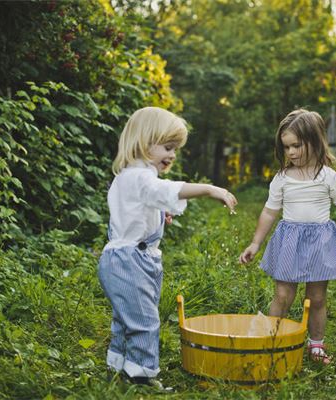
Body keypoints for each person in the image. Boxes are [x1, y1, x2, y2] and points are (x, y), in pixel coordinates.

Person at [98, 107, 237, 388]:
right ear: (142, 141)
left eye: (175, 148)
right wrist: (211, 189)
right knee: (144, 320)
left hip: (125, 258)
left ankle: (119, 365)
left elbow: (133, 212)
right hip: (130, 261)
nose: (172, 155)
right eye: (167, 147)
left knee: (126, 317)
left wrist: (159, 216)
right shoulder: (140, 177)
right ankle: (140, 376)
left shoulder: (129, 177)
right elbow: (164, 191)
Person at [239, 108, 336, 365]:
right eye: (286, 147)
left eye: (296, 145)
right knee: (283, 295)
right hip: (289, 242)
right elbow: (269, 212)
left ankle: (316, 345)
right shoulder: (282, 179)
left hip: (320, 242)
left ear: (314, 141)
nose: (291, 152)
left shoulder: (329, 177)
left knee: (316, 297)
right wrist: (255, 243)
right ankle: (271, 340)